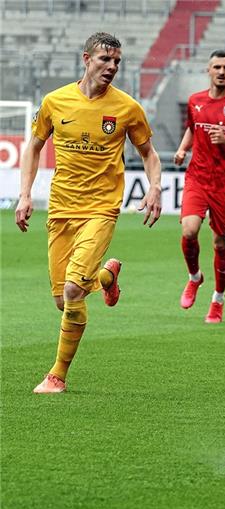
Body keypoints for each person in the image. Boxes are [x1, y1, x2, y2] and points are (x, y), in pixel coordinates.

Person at [15, 32, 162, 393]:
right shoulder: (55, 101)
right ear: (86, 59)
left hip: (101, 208)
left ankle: (57, 376)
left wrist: (155, 186)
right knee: (60, 299)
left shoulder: (127, 108)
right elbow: (34, 147)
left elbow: (148, 153)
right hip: (62, 207)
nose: (111, 67)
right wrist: (24, 195)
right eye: (104, 60)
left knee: (71, 292)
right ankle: (107, 279)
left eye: (116, 62)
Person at [173, 50, 225, 323]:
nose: (221, 71)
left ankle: (218, 300)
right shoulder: (195, 101)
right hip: (197, 177)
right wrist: (182, 148)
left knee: (220, 243)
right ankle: (194, 277)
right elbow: (192, 127)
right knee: (189, 230)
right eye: (216, 67)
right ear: (208, 70)